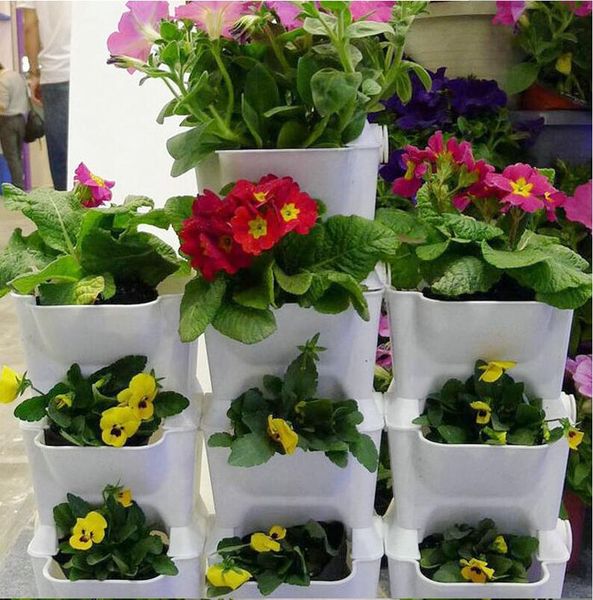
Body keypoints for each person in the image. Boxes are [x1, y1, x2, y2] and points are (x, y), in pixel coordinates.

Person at [18, 1, 71, 191]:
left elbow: (30, 25)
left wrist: (34, 73)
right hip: (92, 66)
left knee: (61, 157)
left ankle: (66, 207)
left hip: (55, 73)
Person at [0, 62, 28, 189]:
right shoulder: (17, 76)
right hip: (21, 120)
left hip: (7, 122)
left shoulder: (2, 80)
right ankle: (20, 185)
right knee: (17, 156)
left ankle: (18, 187)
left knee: (11, 157)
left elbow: (3, 105)